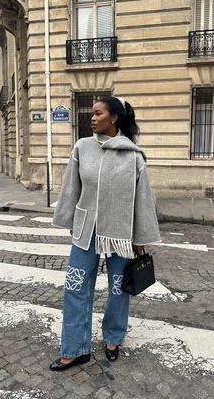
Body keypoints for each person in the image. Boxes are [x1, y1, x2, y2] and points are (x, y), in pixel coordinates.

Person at [50, 96, 161, 372]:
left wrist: (140, 237)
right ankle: (76, 349)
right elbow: (70, 188)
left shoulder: (133, 155)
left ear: (114, 118)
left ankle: (113, 337)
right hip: (86, 231)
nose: (92, 117)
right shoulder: (82, 148)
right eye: (92, 113)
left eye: (98, 113)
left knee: (117, 290)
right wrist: (71, 220)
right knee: (75, 286)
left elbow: (143, 200)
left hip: (120, 235)